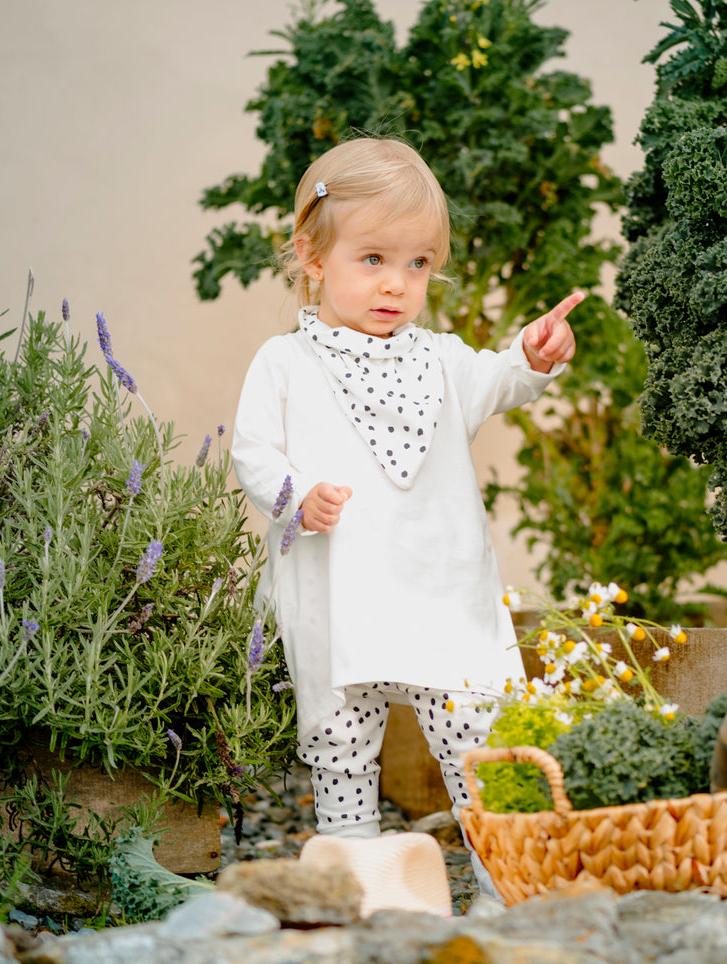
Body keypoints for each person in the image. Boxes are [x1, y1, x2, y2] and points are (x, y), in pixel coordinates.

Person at [231, 137, 580, 896]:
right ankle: (361, 896)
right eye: (373, 259)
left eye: (418, 263)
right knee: (342, 750)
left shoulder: (443, 360)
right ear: (312, 256)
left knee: (479, 751)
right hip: (341, 598)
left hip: (440, 599)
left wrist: (534, 352)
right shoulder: (284, 363)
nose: (397, 283)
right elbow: (252, 453)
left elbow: (500, 378)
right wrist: (297, 494)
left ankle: (503, 893)